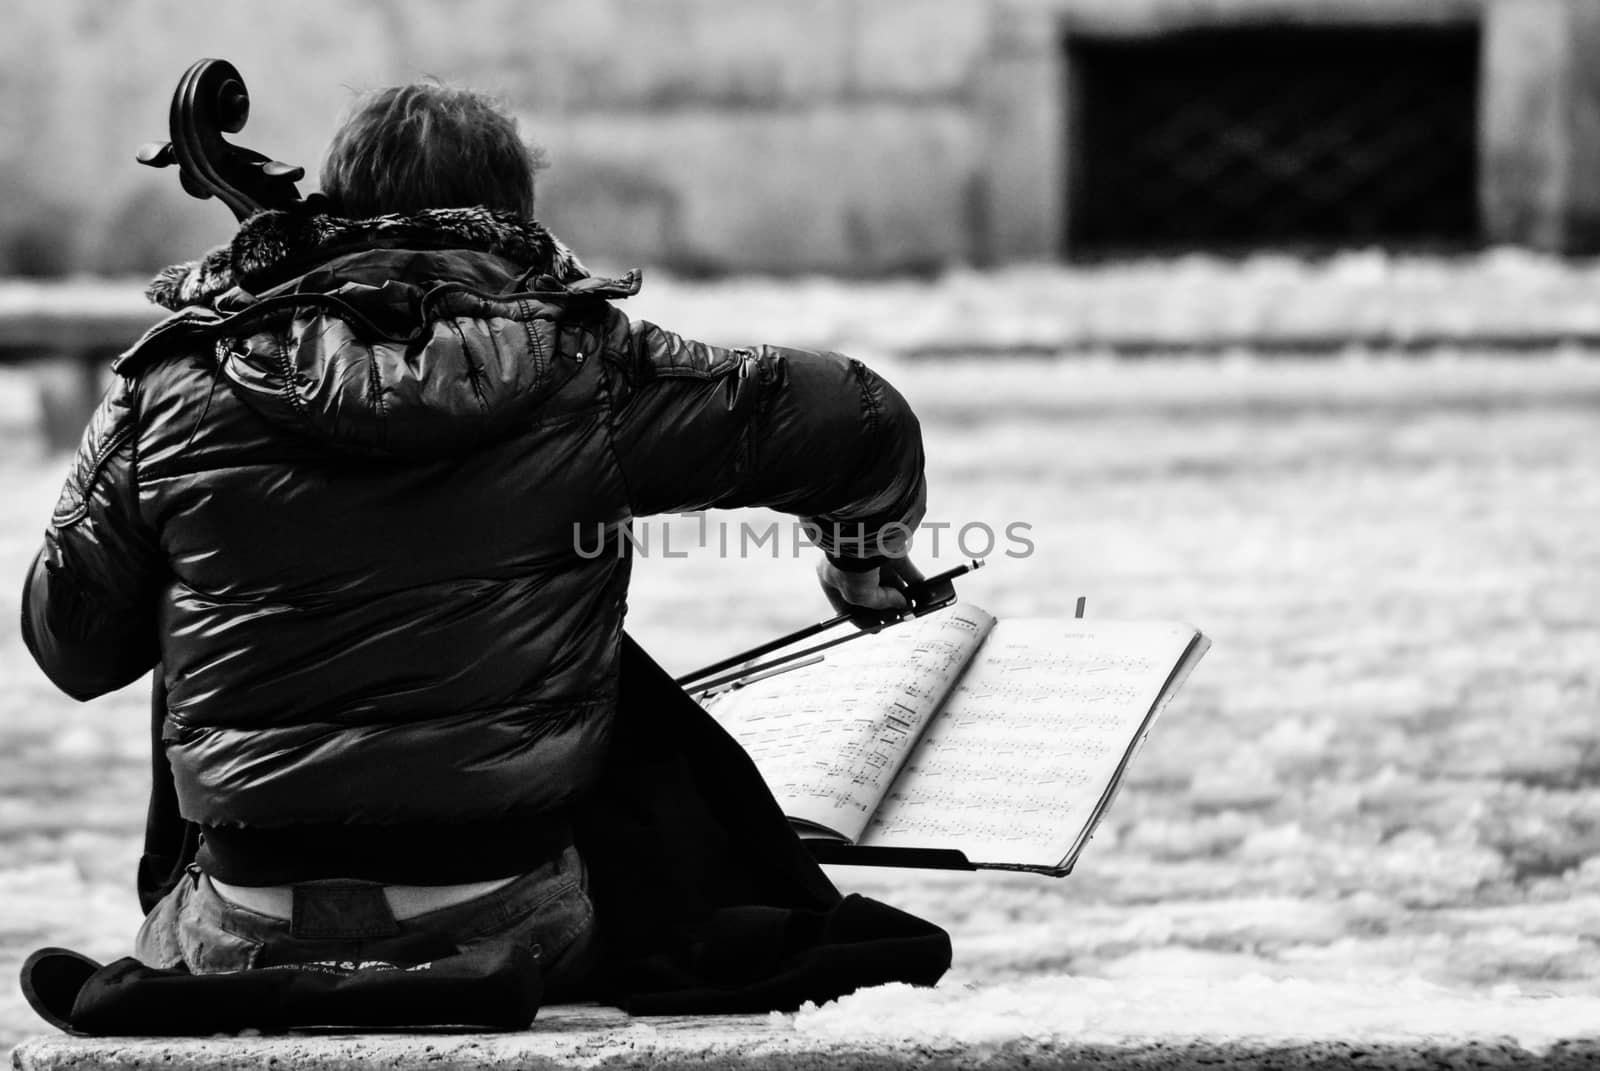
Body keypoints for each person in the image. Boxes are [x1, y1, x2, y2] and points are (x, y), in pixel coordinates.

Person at [20, 84, 930, 1007]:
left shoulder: (175, 380)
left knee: (197, 608)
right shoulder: (593, 369)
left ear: (334, 206)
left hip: (238, 929)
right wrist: (858, 557)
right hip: (509, 918)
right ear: (513, 218)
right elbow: (861, 420)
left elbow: (76, 646)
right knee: (589, 654)